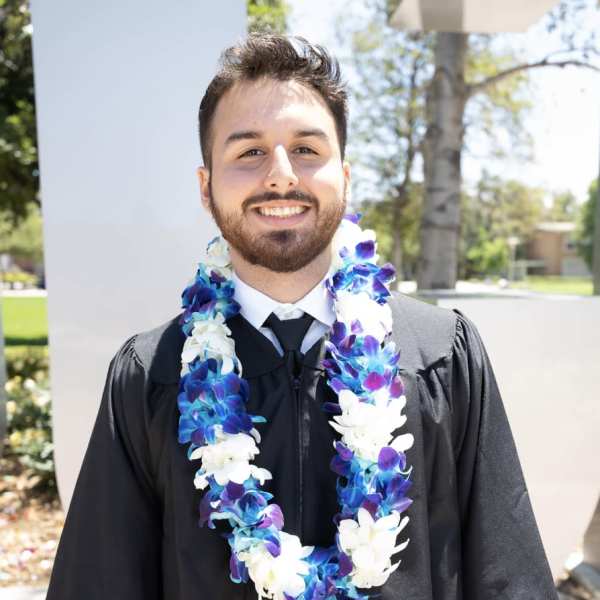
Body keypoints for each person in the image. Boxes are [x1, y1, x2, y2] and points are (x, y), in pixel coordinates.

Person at [46, 34, 557, 600]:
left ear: (346, 177)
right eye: (249, 152)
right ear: (206, 187)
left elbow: (507, 577)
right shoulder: (150, 375)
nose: (281, 175)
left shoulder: (439, 355)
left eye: (307, 149)